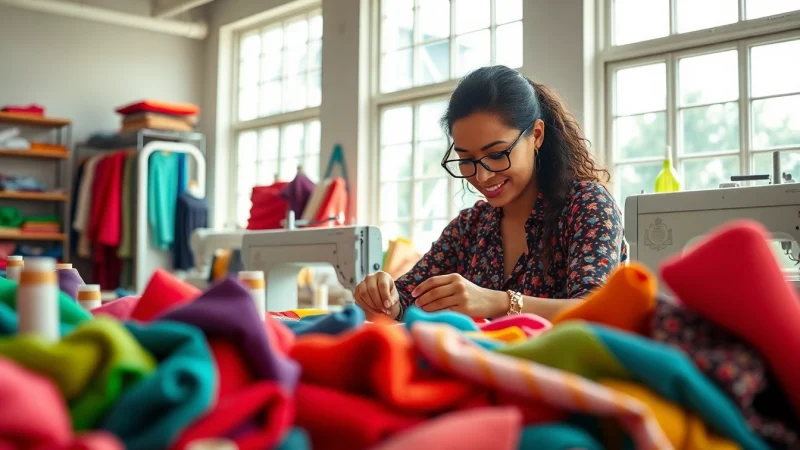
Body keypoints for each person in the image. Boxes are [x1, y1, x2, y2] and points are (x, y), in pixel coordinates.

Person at [355, 65, 627, 321]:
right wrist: (383, 297)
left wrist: (501, 302)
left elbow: (597, 311)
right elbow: (404, 299)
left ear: (537, 135)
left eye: (497, 154)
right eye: (466, 159)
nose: (482, 176)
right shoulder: (470, 227)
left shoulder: (587, 206)